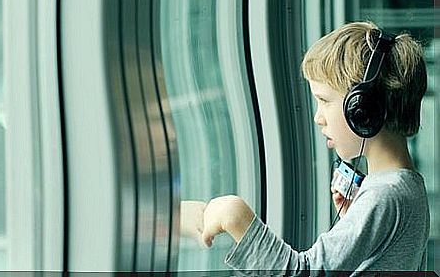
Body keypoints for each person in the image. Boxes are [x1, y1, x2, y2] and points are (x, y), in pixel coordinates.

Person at [180, 22, 430, 274]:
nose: (317, 117)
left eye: (323, 100)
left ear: (362, 109)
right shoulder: (408, 187)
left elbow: (304, 272)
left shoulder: (384, 196)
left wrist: (235, 216)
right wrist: (352, 221)